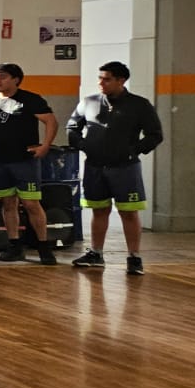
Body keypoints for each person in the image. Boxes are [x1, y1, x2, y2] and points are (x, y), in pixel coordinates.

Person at [67, 61, 163, 276]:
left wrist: (133, 151)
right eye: (100, 78)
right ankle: (96, 253)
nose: (101, 83)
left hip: (125, 167)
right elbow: (72, 127)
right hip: (94, 166)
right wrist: (83, 145)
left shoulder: (139, 105)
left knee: (128, 212)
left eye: (107, 79)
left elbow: (155, 135)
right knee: (99, 209)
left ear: (121, 80)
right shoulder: (89, 102)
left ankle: (134, 257)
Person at [0, 63, 59, 265]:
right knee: (8, 203)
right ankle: (14, 245)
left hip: (25, 161)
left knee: (31, 204)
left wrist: (45, 146)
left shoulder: (31, 100)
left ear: (16, 80)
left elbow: (51, 121)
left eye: (3, 76)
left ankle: (43, 247)